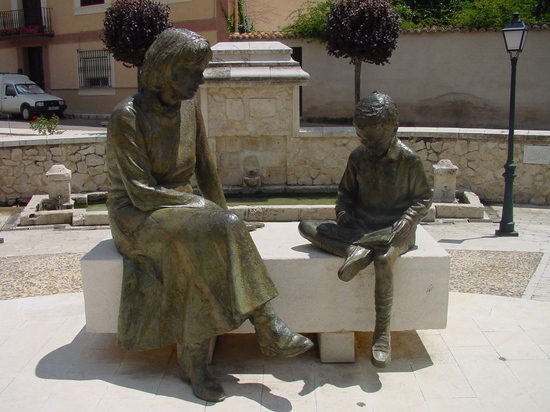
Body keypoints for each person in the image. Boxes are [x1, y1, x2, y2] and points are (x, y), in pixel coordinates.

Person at [106, 28, 312, 402]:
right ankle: (260, 328)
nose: (201, 78)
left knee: (210, 236)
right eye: (195, 70)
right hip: (136, 215)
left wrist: (226, 216)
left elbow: (206, 169)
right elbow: (139, 191)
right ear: (168, 69)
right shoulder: (128, 117)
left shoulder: (188, 108)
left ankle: (199, 358)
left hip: (179, 210)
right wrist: (209, 212)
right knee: (197, 243)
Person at [298, 92, 432, 368]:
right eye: (362, 138)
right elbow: (345, 195)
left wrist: (405, 222)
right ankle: (354, 250)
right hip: (360, 228)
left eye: (376, 139)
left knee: (384, 260)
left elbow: (422, 198)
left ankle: (381, 333)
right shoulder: (358, 157)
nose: (369, 145)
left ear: (393, 129)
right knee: (307, 227)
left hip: (395, 230)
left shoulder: (409, 160)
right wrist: (344, 213)